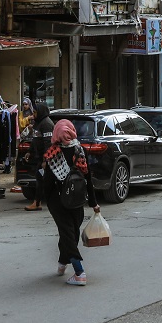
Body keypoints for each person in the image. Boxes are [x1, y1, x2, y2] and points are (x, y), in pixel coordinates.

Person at [39, 119, 100, 286]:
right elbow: (87, 179)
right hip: (78, 200)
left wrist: (45, 200)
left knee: (67, 234)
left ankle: (79, 272)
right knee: (70, 233)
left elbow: (47, 183)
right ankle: (61, 263)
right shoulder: (80, 150)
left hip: (58, 201)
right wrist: (93, 203)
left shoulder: (52, 153)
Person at [23, 102, 54, 212]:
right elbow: (35, 139)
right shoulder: (38, 123)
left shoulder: (46, 124)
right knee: (40, 179)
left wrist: (45, 160)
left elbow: (48, 143)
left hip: (45, 158)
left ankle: (38, 202)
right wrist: (29, 151)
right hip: (39, 156)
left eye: (35, 112)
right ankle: (38, 202)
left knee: (42, 180)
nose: (34, 114)